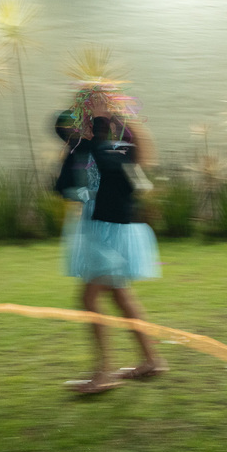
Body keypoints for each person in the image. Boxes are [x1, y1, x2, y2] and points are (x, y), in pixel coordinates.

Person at [56, 98, 165, 395]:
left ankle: (103, 373)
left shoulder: (115, 148)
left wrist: (119, 114)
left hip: (112, 233)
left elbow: (142, 157)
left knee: (90, 299)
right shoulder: (82, 149)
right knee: (121, 298)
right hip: (97, 230)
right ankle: (152, 360)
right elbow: (64, 180)